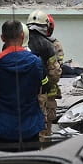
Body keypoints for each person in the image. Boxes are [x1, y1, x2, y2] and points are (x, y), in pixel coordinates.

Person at [0, 19, 46, 150]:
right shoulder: (35, 62)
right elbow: (39, 88)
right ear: (23, 36)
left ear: (2, 38)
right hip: (29, 126)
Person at [25, 11, 65, 143]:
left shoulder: (19, 42)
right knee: (43, 132)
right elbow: (55, 74)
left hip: (21, 94)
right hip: (43, 94)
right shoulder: (48, 45)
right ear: (46, 26)